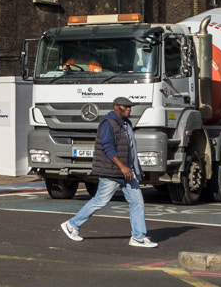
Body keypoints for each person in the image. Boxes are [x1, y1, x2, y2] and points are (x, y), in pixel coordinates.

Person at [60, 96, 156, 249]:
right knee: (100, 201)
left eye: (130, 107)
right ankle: (72, 225)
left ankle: (138, 237)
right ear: (117, 107)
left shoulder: (127, 124)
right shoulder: (108, 123)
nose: (129, 109)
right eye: (126, 107)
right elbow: (107, 147)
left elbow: (131, 148)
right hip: (112, 171)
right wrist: (122, 167)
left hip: (127, 173)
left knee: (137, 202)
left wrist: (135, 169)